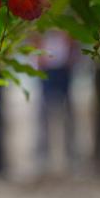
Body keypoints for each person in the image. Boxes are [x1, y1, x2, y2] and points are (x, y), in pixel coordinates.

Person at [35, 30, 79, 174]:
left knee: (68, 113)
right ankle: (43, 156)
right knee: (44, 113)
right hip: (47, 68)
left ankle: (71, 154)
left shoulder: (66, 14)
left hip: (63, 68)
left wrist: (71, 56)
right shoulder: (39, 20)